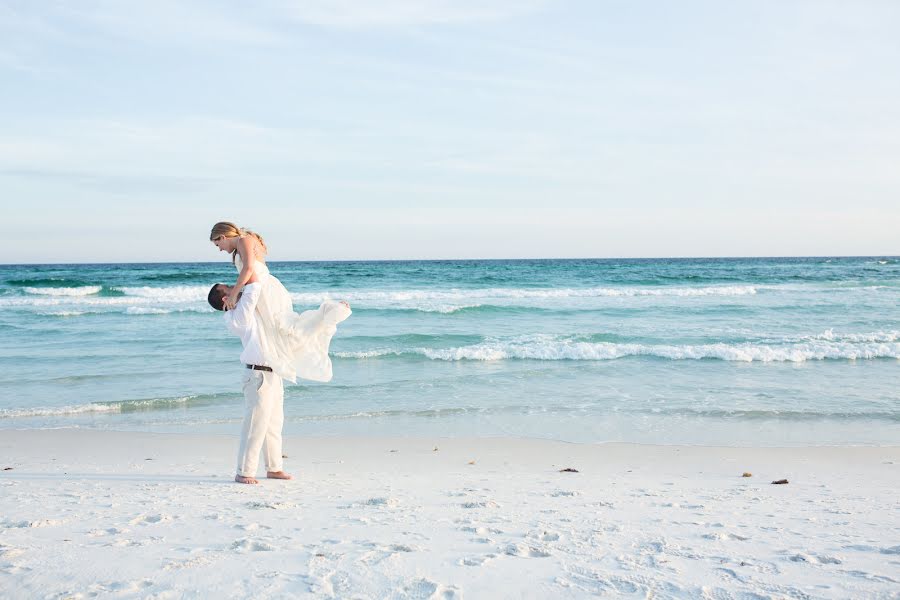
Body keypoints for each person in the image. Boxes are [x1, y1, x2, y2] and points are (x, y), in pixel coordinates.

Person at [208, 222, 351, 484]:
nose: (219, 248)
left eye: (218, 243)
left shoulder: (243, 245)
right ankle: (244, 471)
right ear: (224, 301)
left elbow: (251, 275)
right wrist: (237, 292)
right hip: (258, 375)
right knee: (256, 425)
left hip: (272, 369)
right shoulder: (237, 315)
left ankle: (274, 467)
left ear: (222, 235)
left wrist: (238, 288)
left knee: (274, 422)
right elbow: (251, 285)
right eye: (226, 289)